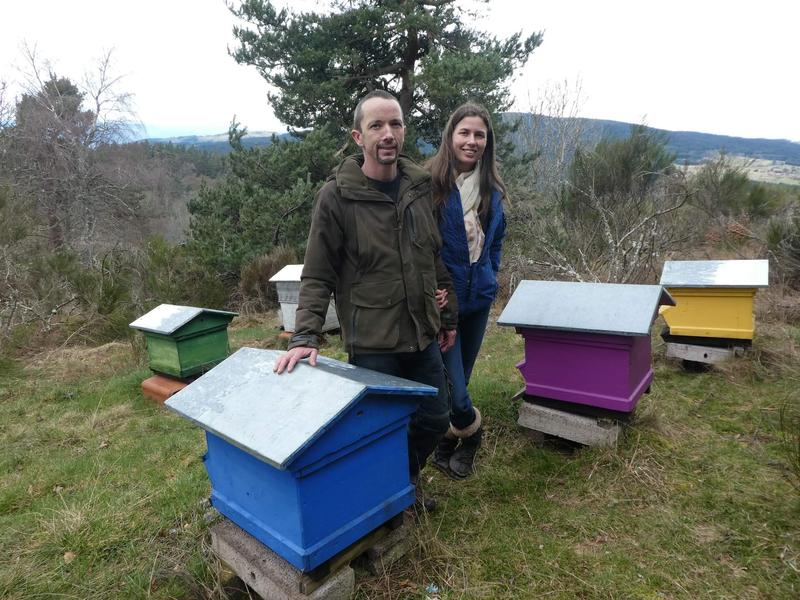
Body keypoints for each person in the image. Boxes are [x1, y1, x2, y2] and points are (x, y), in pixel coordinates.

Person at [274, 90, 458, 490]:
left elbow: (432, 255)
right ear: (359, 137)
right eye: (376, 125)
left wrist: (447, 316)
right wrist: (305, 334)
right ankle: (385, 498)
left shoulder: (418, 187)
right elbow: (318, 273)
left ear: (404, 131)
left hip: (422, 332)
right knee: (381, 426)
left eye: (395, 123)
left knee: (434, 417)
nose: (387, 133)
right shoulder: (336, 196)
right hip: (374, 340)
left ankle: (399, 481)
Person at [425, 103, 507, 480]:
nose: (472, 141)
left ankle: (446, 441)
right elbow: (420, 246)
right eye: (465, 133)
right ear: (450, 136)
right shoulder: (430, 185)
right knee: (454, 390)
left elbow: (495, 242)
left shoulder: (491, 189)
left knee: (462, 379)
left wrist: (490, 274)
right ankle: (472, 434)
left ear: (486, 142)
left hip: (479, 301)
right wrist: (434, 295)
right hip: (446, 305)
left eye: (479, 135)